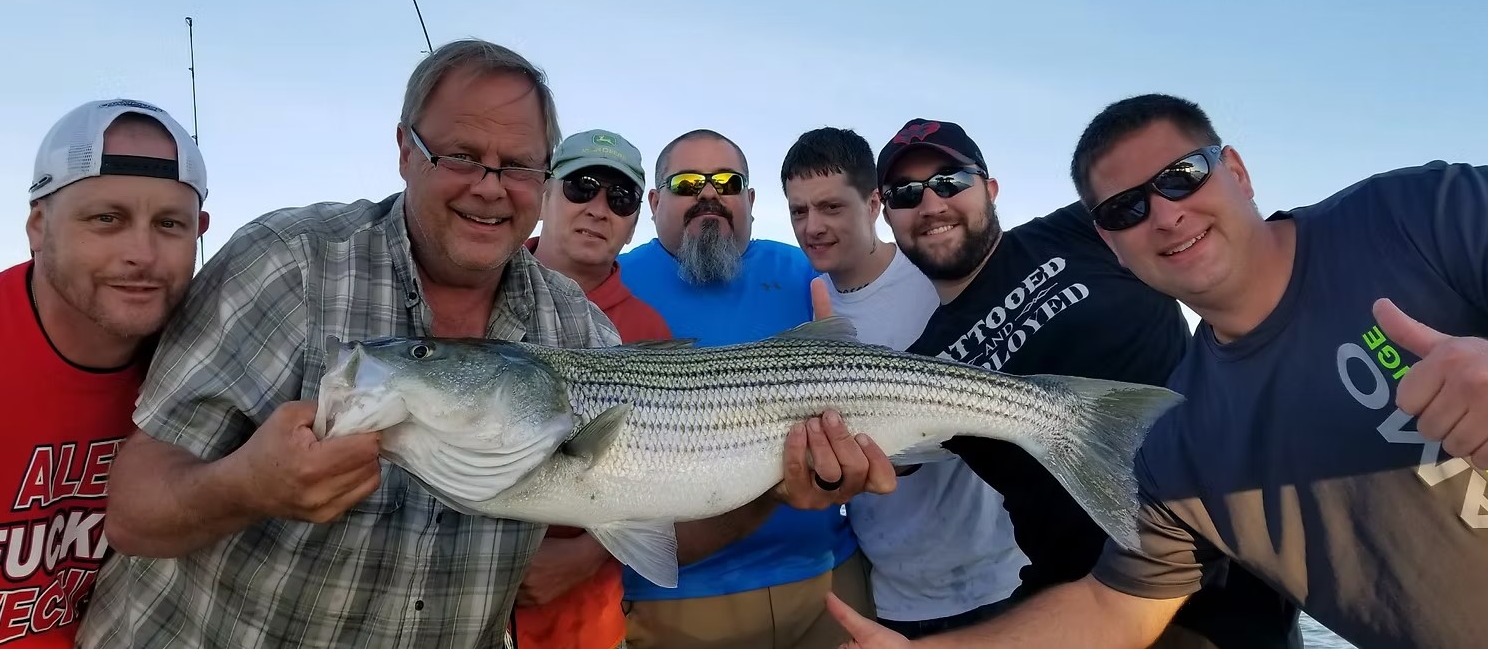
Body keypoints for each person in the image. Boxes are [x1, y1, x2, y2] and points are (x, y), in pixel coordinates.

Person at [73, 39, 895, 649]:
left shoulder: (578, 330)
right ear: (406, 150)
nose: (489, 187)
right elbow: (134, 509)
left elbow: (650, 514)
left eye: (518, 165)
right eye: (461, 155)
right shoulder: (287, 263)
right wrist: (244, 484)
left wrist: (781, 485)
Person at [828, 94, 1488, 648]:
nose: (1164, 213)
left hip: (1231, 594)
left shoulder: (1416, 216)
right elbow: (1111, 610)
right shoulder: (1178, 441)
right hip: (1119, 566)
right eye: (907, 193)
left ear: (1234, 169)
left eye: (1182, 175)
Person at [830, 117, 1303, 648]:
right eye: (906, 194)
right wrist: (823, 471)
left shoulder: (1083, 227)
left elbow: (1203, 239)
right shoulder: (924, 364)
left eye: (950, 182)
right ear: (886, 214)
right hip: (1079, 599)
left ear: (989, 188)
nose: (932, 204)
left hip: (1229, 559)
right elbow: (871, 459)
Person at [616, 129, 873, 648]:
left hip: (829, 581)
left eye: (727, 182)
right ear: (654, 201)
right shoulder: (612, 283)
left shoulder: (808, 272)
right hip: (679, 603)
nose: (708, 194)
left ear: (750, 200)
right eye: (686, 183)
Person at [0, 98, 210, 647]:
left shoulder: (209, 363)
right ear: (38, 225)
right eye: (107, 219)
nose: (142, 254)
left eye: (170, 224)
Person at [778, 126, 1031, 639]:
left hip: (1007, 571)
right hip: (894, 590)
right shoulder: (803, 309)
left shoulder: (934, 274)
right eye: (798, 211)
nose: (813, 227)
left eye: (831, 207)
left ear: (873, 203)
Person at [516, 128, 671, 649]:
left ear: (632, 224)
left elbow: (679, 466)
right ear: (543, 193)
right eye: (581, 187)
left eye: (620, 197)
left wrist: (585, 556)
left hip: (583, 624)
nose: (599, 208)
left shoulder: (649, 331)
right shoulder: (475, 283)